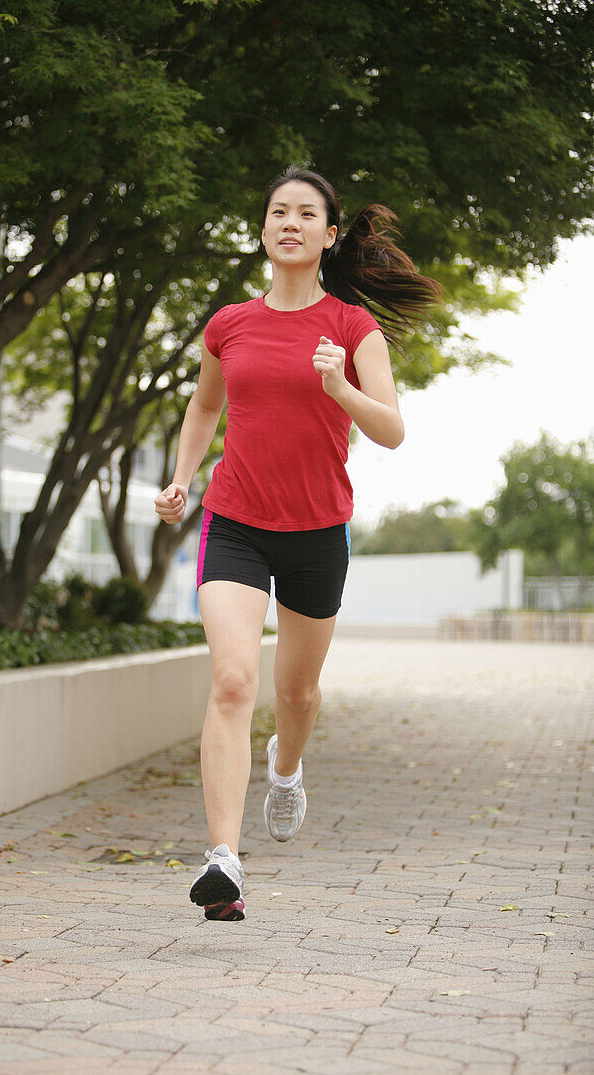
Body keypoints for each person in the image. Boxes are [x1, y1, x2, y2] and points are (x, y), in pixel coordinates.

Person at [154, 165, 444, 922]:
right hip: (236, 523)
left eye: (304, 213)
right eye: (276, 210)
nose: (288, 221)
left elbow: (390, 429)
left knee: (297, 693)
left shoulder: (352, 328)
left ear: (325, 234)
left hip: (317, 531)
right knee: (230, 681)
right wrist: (182, 478)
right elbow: (202, 406)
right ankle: (223, 859)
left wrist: (340, 388)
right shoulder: (228, 324)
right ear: (263, 230)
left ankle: (286, 770)